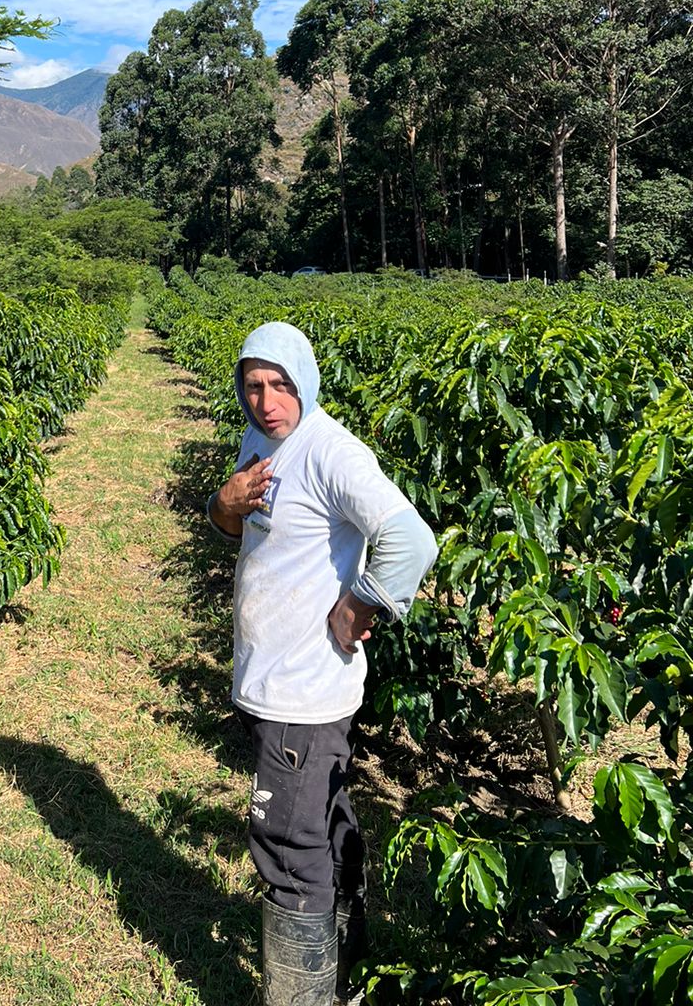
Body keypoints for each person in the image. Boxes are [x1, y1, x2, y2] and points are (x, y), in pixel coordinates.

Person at [206, 321, 438, 1006]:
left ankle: (303, 994)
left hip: (303, 694)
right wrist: (222, 507)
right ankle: (347, 961)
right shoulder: (261, 440)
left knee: (287, 845)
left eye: (281, 385)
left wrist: (360, 605)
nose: (267, 400)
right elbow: (242, 526)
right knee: (326, 818)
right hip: (273, 679)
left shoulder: (331, 452)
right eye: (253, 386)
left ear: (305, 381)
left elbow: (410, 538)